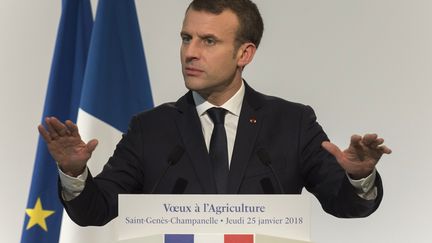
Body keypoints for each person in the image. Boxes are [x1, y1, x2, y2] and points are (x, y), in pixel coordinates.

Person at [38, 0, 391, 226]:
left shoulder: (292, 123)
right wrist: (74, 172)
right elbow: (95, 211)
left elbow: (346, 205)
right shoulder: (151, 129)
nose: (190, 52)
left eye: (208, 41)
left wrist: (359, 178)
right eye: (185, 38)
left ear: (244, 54)